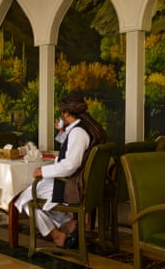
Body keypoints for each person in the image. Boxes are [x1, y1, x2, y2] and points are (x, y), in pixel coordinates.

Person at [14, 95, 107, 248]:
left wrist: (42, 171)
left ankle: (57, 235)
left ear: (67, 114)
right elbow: (74, 148)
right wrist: (63, 130)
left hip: (71, 186)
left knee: (25, 200)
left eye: (63, 112)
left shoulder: (78, 133)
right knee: (35, 196)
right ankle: (68, 223)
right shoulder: (83, 129)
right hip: (80, 183)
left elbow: (70, 165)